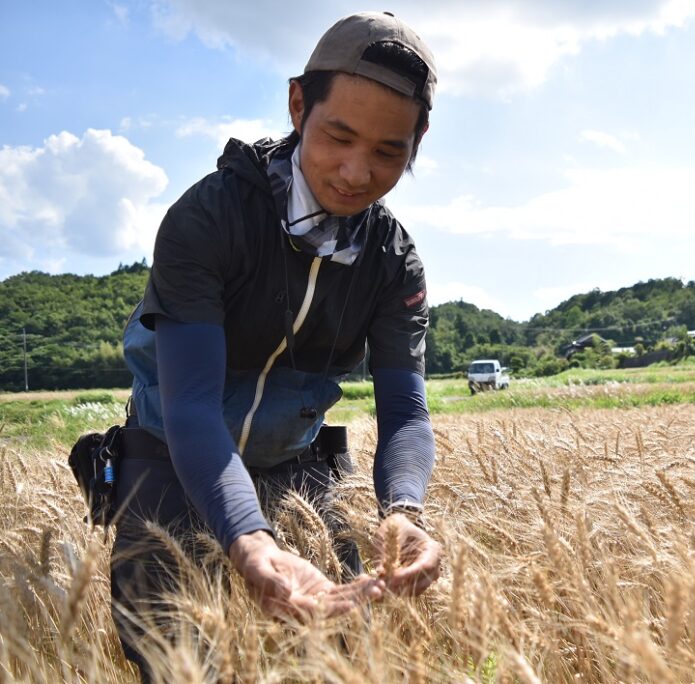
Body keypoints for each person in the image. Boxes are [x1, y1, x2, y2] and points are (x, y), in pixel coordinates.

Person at [115, 11, 441, 679]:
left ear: (418, 141)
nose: (355, 172)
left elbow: (405, 412)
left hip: (297, 465)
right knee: (177, 659)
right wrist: (249, 538)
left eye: (389, 152)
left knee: (338, 650)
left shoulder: (392, 262)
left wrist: (403, 511)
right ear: (298, 105)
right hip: (175, 454)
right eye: (338, 137)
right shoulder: (208, 220)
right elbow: (192, 408)